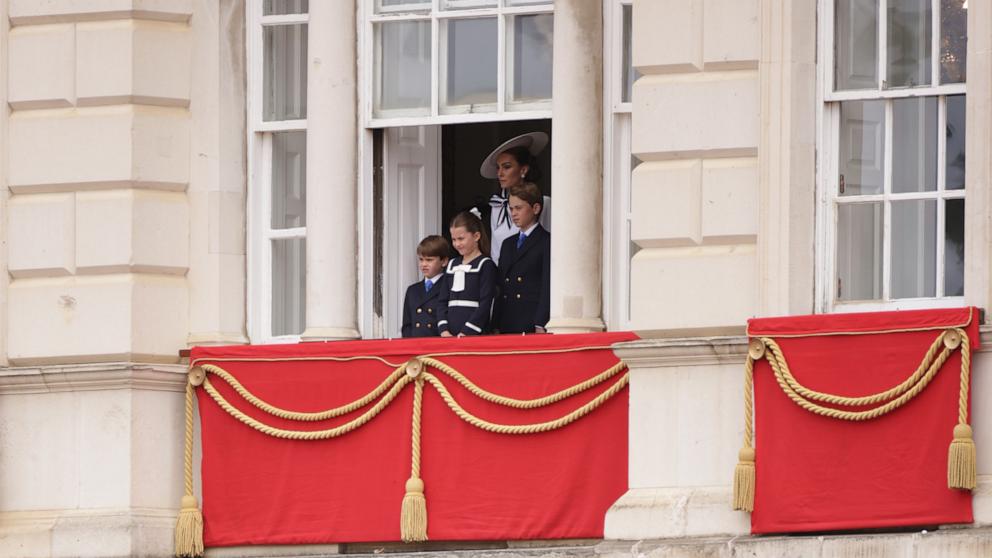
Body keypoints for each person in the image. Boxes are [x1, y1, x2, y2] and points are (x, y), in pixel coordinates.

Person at [479, 132, 552, 264]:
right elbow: (496, 251)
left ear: (523, 170)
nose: (500, 173)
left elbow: (548, 243)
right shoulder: (497, 205)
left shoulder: (544, 202)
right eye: (498, 168)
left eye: (507, 167)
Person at [494, 183, 550, 334]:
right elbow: (501, 286)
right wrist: (495, 323)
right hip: (507, 319)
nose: (513, 213)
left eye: (519, 208)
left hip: (530, 320)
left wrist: (541, 322)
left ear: (536, 208)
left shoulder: (546, 241)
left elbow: (547, 285)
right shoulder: (507, 243)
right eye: (511, 209)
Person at [438, 211, 498, 337]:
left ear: (476, 236)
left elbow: (485, 304)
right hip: (449, 336)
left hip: (473, 334)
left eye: (461, 239)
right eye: (453, 239)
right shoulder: (452, 264)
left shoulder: (485, 265)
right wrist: (444, 330)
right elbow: (442, 301)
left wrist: (467, 331)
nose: (457, 244)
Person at [401, 235, 450, 338]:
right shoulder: (412, 290)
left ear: (444, 261)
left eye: (429, 260)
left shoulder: (449, 287)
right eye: (421, 259)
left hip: (437, 345)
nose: (423, 264)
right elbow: (407, 325)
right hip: (416, 347)